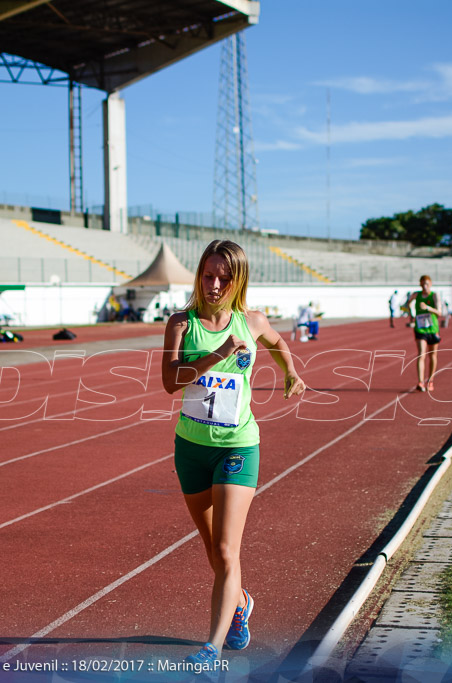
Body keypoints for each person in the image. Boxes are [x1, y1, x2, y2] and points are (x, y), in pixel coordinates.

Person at [160, 240, 306, 669]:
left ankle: (212, 647)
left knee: (226, 551)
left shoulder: (252, 321)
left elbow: (278, 341)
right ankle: (241, 601)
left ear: (238, 279)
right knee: (211, 549)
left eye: (224, 277)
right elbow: (170, 381)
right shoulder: (181, 324)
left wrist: (290, 372)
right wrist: (218, 354)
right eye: (208, 275)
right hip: (190, 450)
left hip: (237, 446)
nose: (215, 284)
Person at [405, 275, 443, 392]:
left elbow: (439, 313)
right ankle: (420, 381)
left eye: (426, 284)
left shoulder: (434, 295)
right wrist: (410, 312)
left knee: (432, 355)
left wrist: (428, 308)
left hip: (432, 329)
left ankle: (430, 380)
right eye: (422, 284)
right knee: (421, 354)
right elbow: (407, 304)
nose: (424, 286)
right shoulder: (416, 295)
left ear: (430, 284)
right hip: (420, 329)